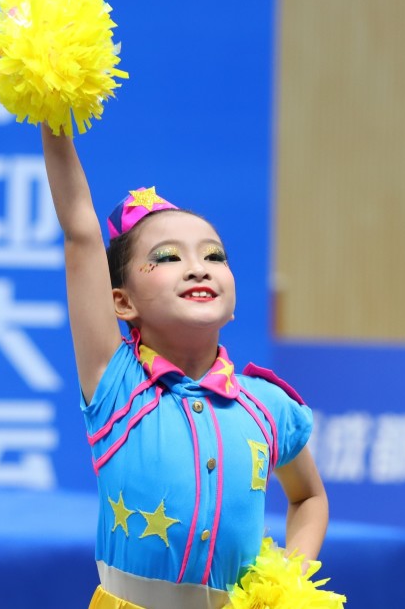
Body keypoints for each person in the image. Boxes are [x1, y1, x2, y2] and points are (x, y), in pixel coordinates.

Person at [40, 127, 329, 609]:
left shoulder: (269, 405)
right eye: (168, 257)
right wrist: (54, 121)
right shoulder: (115, 383)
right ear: (121, 302)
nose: (199, 268)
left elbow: (309, 498)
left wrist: (290, 581)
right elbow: (80, 232)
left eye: (214, 255)